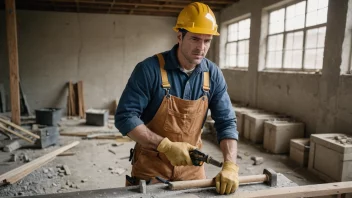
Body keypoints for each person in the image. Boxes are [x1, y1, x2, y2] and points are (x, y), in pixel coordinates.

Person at [115, 2, 239, 195]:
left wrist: (230, 165)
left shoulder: (213, 75)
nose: (201, 48)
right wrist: (165, 146)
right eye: (195, 39)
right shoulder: (149, 70)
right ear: (180, 36)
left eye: (207, 41)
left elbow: (226, 122)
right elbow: (125, 116)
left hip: (193, 166)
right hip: (151, 165)